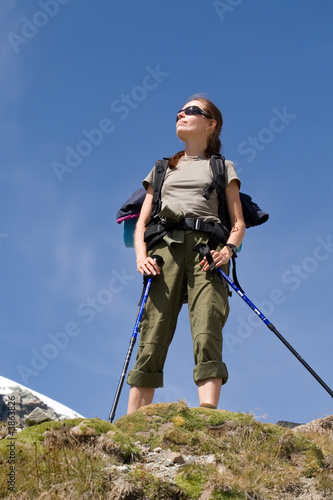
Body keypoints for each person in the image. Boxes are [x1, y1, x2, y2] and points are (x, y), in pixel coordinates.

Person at [126, 95, 245, 413]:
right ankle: (131, 426)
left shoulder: (221, 167)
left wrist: (228, 251)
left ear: (211, 124)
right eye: (179, 110)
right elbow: (141, 225)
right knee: (152, 334)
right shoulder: (162, 168)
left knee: (207, 328)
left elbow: (238, 223)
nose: (182, 113)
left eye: (192, 110)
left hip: (207, 253)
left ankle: (207, 417)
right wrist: (141, 257)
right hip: (164, 254)